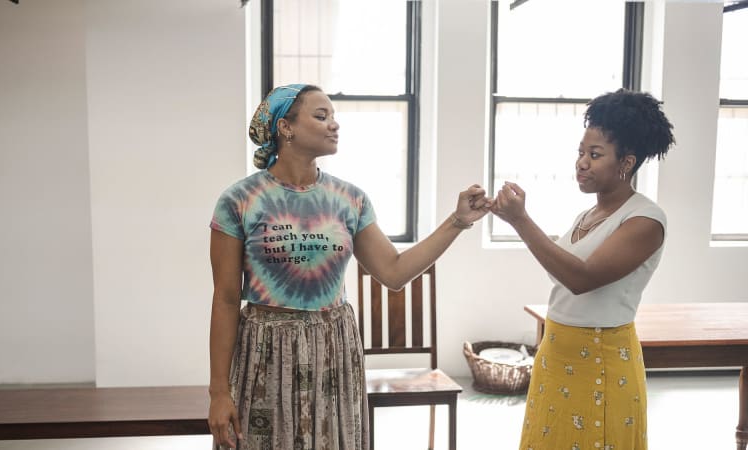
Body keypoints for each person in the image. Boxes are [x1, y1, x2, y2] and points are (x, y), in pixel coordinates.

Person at [207, 84, 491, 450]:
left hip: (333, 351)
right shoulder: (240, 200)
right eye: (321, 116)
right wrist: (218, 391)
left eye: (334, 117)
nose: (334, 125)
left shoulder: (349, 199)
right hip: (266, 353)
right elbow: (226, 300)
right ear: (285, 127)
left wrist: (458, 220)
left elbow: (394, 271)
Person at [491, 88, 675, 450]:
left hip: (601, 361)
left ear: (626, 162)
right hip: (557, 353)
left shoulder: (646, 219)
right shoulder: (586, 216)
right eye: (580, 152)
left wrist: (521, 220)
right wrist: (512, 218)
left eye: (595, 154)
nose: (581, 163)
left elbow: (581, 279)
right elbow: (562, 270)